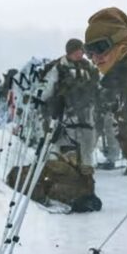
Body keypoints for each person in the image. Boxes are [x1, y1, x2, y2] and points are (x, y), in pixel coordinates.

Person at [84, 7, 127, 175]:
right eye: (89, 51)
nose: (95, 58)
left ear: (122, 43)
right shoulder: (121, 79)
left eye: (100, 47)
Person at [38, 38, 100, 175]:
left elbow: (97, 83)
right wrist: (43, 100)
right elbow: (48, 87)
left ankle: (86, 170)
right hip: (65, 109)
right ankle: (58, 167)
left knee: (88, 139)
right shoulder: (59, 67)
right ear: (69, 52)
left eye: (81, 51)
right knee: (61, 139)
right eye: (77, 51)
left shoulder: (88, 66)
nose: (80, 54)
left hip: (86, 109)